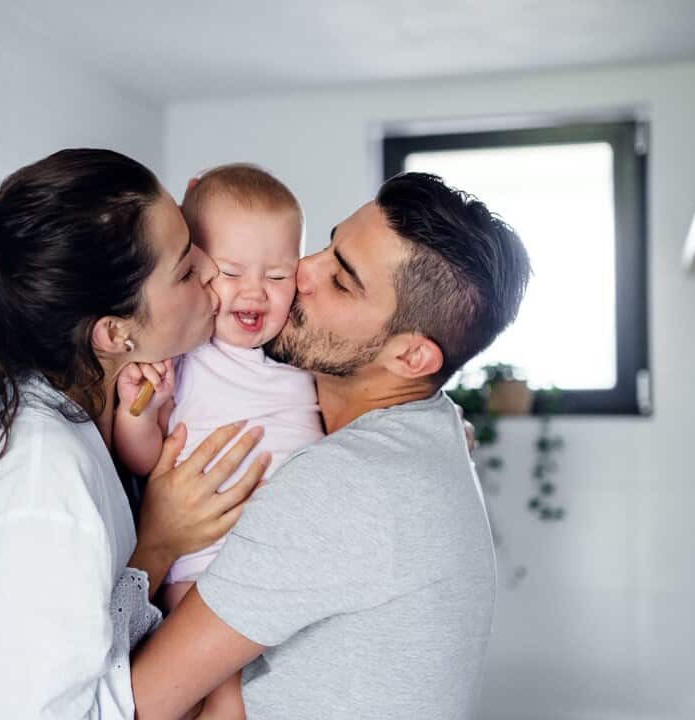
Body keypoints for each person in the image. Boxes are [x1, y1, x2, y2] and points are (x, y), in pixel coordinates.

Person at [0, 149, 272, 719]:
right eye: (184, 267)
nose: (213, 268)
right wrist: (156, 543)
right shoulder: (39, 477)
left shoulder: (78, 414)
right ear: (113, 333)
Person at [131, 172, 532, 720]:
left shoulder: (345, 484)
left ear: (412, 359)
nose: (302, 272)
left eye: (342, 282)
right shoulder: (429, 430)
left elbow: (135, 705)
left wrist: (155, 543)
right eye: (325, 245)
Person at [113, 164, 324, 718]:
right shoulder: (184, 355)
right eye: (229, 272)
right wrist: (141, 413)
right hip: (201, 564)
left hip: (286, 563)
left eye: (278, 276)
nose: (254, 292)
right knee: (226, 704)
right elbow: (141, 458)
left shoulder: (302, 356)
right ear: (193, 267)